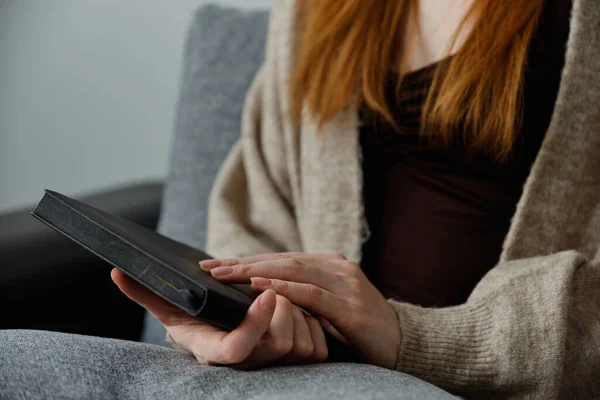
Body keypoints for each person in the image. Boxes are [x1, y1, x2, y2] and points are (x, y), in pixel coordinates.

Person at [2, 0, 599, 398]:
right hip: (320, 373)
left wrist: (413, 339)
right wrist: (240, 316)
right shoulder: (312, 13)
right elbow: (258, 208)